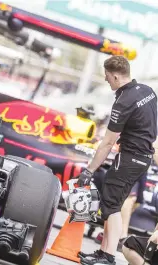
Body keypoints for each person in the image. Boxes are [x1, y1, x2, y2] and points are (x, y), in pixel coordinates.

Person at [76, 55, 157, 265]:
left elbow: (107, 143)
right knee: (114, 203)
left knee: (110, 206)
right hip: (143, 158)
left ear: (114, 76)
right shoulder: (148, 92)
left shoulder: (123, 102)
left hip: (129, 159)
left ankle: (109, 255)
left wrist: (89, 171)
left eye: (106, 77)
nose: (105, 80)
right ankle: (104, 253)